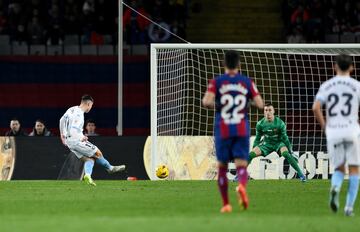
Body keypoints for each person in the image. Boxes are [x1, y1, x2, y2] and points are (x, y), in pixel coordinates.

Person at [202, 50, 264, 213]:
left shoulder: (217, 82)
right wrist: (245, 103)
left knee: (222, 167)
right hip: (242, 127)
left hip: (223, 128)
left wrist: (217, 105)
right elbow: (260, 103)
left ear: (224, 64)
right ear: (239, 65)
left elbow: (206, 102)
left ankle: (226, 204)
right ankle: (242, 186)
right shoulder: (247, 82)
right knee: (241, 165)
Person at [313, 54, 360, 217]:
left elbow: (315, 107)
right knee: (354, 169)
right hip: (352, 130)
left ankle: (336, 187)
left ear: (335, 67)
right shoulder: (357, 85)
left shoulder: (327, 86)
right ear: (352, 68)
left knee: (339, 167)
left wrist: (325, 126)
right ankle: (348, 208)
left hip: (333, 131)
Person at [59, 95, 125, 186]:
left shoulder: (72, 109)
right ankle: (110, 168)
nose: (91, 108)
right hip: (76, 140)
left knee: (89, 159)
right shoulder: (79, 114)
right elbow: (74, 129)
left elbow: (62, 120)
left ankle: (88, 176)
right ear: (88, 104)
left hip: (70, 141)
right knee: (98, 152)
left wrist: (62, 134)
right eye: (91, 106)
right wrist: (80, 137)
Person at [248, 103, 306, 182]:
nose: (268, 112)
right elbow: (257, 139)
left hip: (278, 143)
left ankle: (301, 175)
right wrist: (253, 149)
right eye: (266, 110)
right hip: (266, 144)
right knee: (250, 155)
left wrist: (290, 151)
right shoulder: (260, 124)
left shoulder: (280, 123)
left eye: (270, 110)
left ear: (273, 111)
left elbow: (285, 139)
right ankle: (240, 175)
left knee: (285, 154)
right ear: (264, 112)